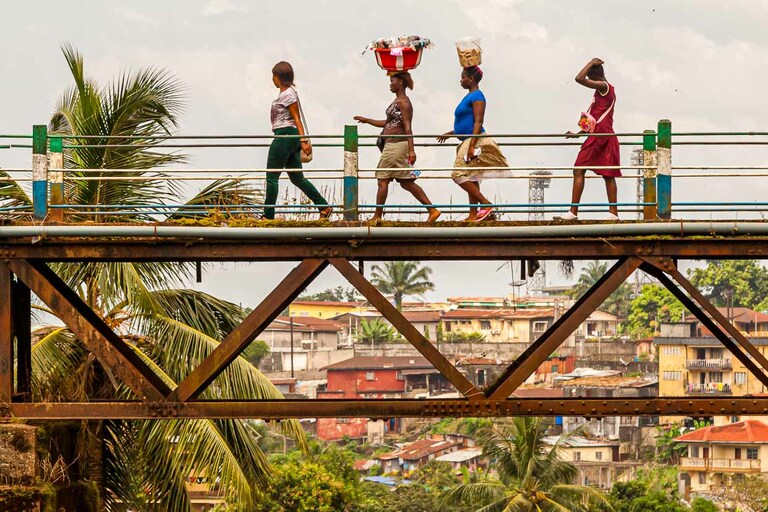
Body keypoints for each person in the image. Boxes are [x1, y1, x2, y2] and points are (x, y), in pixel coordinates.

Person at [354, 73, 440, 225]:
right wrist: (367, 120)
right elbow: (387, 123)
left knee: (382, 179)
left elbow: (408, 127)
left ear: (400, 82)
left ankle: (377, 216)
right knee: (406, 182)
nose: (390, 84)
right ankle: (432, 210)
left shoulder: (404, 102)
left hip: (396, 145)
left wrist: (412, 150)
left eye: (392, 81)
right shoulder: (396, 101)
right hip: (392, 145)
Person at [437, 66, 508, 222]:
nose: (461, 80)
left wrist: (471, 146)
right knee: (472, 176)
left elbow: (478, 121)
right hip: (467, 139)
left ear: (471, 79)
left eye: (463, 77)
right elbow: (466, 122)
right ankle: (473, 215)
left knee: (458, 175)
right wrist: (451, 133)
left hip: (474, 140)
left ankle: (486, 203)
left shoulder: (477, 96)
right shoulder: (469, 96)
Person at [264, 61, 331, 220]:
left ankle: (268, 216)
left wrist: (303, 140)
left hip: (285, 135)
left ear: (278, 77)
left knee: (272, 176)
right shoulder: (287, 94)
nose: (272, 80)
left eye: (273, 76)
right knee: (297, 177)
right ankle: (323, 206)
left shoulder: (288, 94)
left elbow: (296, 118)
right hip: (290, 136)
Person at [556, 57, 621, 221]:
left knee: (579, 169)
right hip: (603, 134)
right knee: (608, 174)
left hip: (600, 136)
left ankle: (573, 212)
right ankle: (613, 213)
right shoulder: (603, 90)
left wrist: (591, 62)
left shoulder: (604, 86)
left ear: (595, 77)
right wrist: (578, 134)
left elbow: (579, 78)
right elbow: (595, 119)